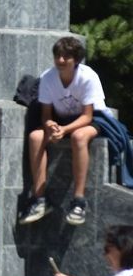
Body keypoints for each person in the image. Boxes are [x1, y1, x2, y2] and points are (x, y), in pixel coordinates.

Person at [21, 35, 106, 227]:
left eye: (66, 57)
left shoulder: (87, 77)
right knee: (35, 137)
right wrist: (50, 125)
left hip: (91, 120)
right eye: (57, 56)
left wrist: (65, 129)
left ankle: (79, 201)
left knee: (79, 137)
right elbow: (46, 114)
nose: (60, 60)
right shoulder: (47, 77)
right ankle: (40, 199)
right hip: (60, 120)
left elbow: (87, 116)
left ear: (76, 59)